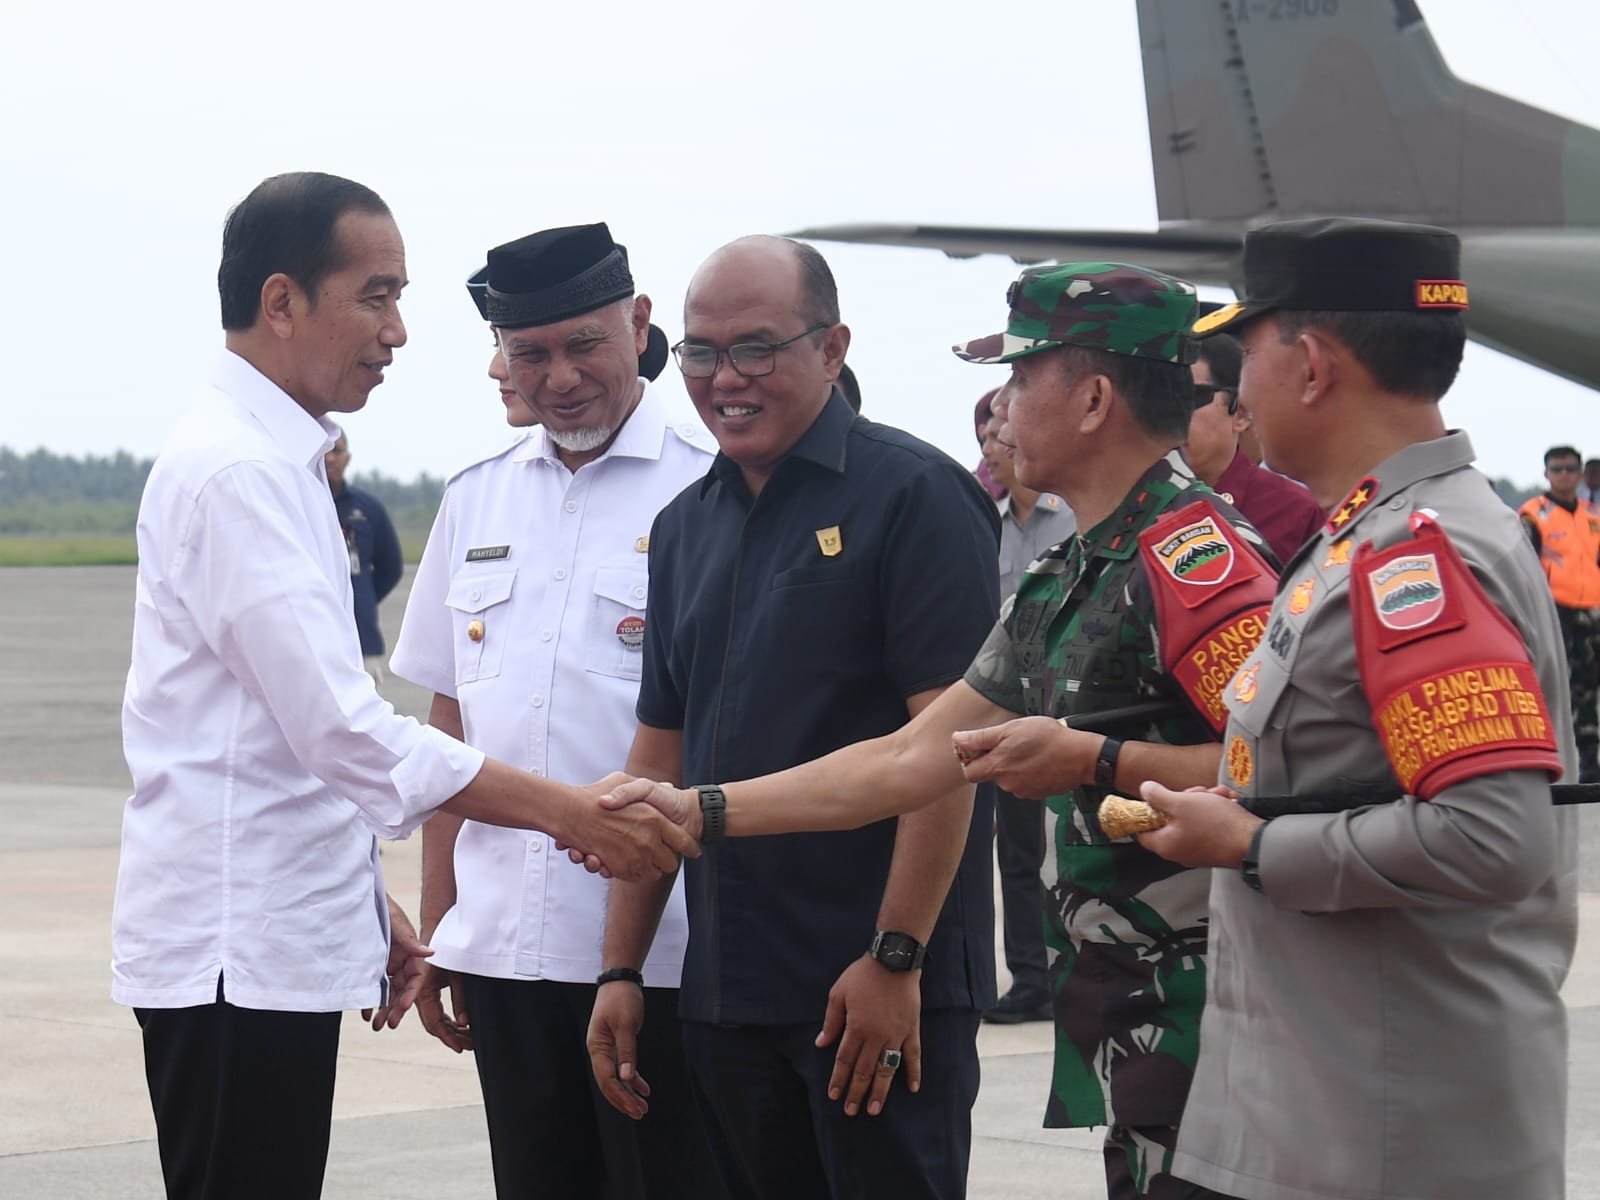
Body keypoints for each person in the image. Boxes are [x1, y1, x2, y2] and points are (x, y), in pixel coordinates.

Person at [596, 261, 1280, 1200]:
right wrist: (697, 813)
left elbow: (1286, 768)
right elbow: (916, 756)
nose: (996, 407)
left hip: (1222, 1005)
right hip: (1135, 1001)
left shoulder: (1193, 559)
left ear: (1090, 400)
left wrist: (1100, 758)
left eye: (1020, 378)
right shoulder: (1068, 570)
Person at [111, 173, 695, 1200]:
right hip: (235, 955)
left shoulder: (279, 463)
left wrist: (371, 913)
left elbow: (273, 743)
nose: (401, 331)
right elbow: (348, 734)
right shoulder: (242, 473)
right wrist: (573, 813)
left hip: (269, 940)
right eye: (377, 296)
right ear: (284, 300)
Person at [1136, 217, 1577, 1200]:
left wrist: (1247, 847)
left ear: (1311, 364)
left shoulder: (1413, 554)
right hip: (1309, 1115)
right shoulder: (1373, 535)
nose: (1237, 391)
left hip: (1374, 1138)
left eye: (1244, 352)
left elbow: (1491, 838)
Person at [588, 235, 1001, 1200]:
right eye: (700, 352)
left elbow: (951, 755)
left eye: (757, 348)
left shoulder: (915, 497)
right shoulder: (688, 526)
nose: (725, 378)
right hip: (728, 994)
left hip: (873, 991)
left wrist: (896, 957)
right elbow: (660, 762)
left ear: (833, 347)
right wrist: (622, 970)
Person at [389, 224, 725, 1199]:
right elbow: (450, 729)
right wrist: (444, 918)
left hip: (665, 958)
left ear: (638, 324)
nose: (560, 375)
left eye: (585, 344)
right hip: (502, 953)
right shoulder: (476, 501)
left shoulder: (710, 488)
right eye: (529, 353)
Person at [974, 386, 1075, 1025]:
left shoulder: (1069, 518)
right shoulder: (986, 519)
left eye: (998, 437)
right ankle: (1029, 980)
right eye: (985, 438)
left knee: (1068, 847)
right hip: (1005, 709)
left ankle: (1072, 974)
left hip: (1071, 713)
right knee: (1014, 855)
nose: (990, 448)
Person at [1181, 333, 1324, 564]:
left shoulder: (1296, 513)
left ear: (1240, 413)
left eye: (1191, 397)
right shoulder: (1134, 501)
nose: (1171, 414)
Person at [1519, 444, 1600, 781]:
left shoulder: (1593, 515)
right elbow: (1522, 567)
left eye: (1570, 469)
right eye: (1557, 469)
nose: (1564, 475)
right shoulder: (1532, 514)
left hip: (1590, 614)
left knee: (1588, 687)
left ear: (1581, 472)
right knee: (1550, 686)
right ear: (1546, 474)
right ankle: (1544, 760)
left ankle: (1590, 763)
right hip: (1552, 613)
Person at [323, 426, 403, 679]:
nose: (330, 458)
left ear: (348, 457)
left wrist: (360, 597)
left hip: (361, 636)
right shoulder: (297, 500)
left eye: (338, 451)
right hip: (315, 635)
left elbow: (391, 567)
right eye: (325, 451)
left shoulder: (367, 508)